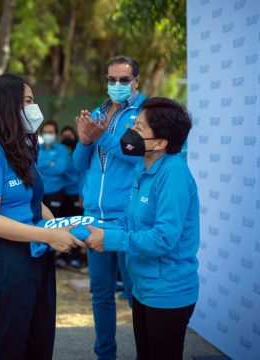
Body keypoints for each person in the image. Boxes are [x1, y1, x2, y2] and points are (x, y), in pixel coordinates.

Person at [0, 74, 85, 359]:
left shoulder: (24, 149)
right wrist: (48, 234)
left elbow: (36, 203)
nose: (34, 108)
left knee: (39, 345)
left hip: (37, 257)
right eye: (28, 101)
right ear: (8, 106)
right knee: (8, 349)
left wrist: (58, 224)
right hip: (6, 261)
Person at [86, 97, 199, 360]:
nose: (130, 133)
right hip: (143, 288)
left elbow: (163, 238)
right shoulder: (142, 167)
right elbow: (129, 221)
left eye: (139, 128)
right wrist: (93, 229)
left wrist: (111, 240)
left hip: (168, 292)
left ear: (160, 143)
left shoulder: (174, 175)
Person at [73, 55, 146, 359]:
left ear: (136, 82)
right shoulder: (100, 111)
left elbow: (134, 153)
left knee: (136, 295)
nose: (116, 85)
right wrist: (84, 141)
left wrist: (102, 136)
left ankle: (151, 351)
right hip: (94, 218)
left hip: (126, 220)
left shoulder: (146, 113)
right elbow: (78, 165)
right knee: (101, 295)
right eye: (111, 79)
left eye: (123, 80)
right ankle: (105, 354)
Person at [59, 125, 84, 268]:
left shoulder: (78, 154)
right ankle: (62, 255)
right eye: (64, 136)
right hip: (63, 193)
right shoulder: (61, 153)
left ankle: (76, 256)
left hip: (75, 193)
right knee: (63, 224)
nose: (67, 138)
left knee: (76, 225)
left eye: (69, 136)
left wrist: (81, 195)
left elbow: (82, 176)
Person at [38, 120, 70, 218]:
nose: (48, 134)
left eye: (50, 132)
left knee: (54, 221)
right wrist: (50, 163)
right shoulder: (36, 148)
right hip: (38, 193)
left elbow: (61, 169)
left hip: (55, 192)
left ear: (56, 134)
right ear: (41, 133)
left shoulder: (62, 149)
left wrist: (42, 164)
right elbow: (33, 166)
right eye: (45, 132)